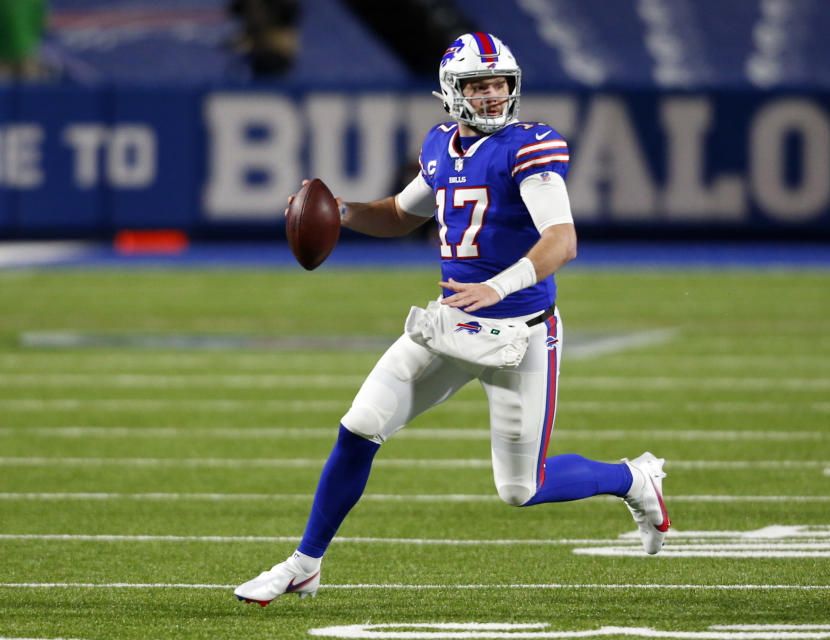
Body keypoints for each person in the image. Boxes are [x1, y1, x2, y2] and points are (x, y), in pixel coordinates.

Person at [234, 32, 670, 607]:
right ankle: (304, 564)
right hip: (449, 323)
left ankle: (633, 479)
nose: (491, 96)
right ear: (451, 92)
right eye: (477, 85)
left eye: (498, 84)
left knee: (522, 489)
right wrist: (339, 213)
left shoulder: (529, 146)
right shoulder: (441, 146)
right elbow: (399, 213)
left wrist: (496, 286)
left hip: (521, 334)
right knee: (360, 427)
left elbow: (561, 241)